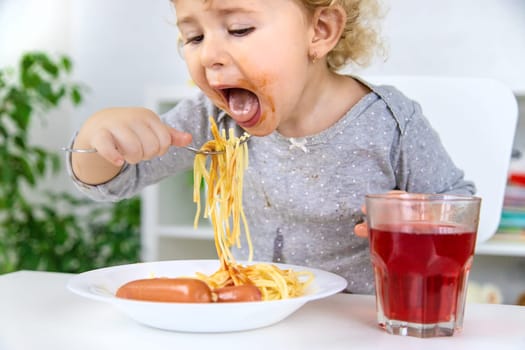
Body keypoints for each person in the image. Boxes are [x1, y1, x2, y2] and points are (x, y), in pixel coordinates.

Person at [67, 0, 475, 294]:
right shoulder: (211, 116)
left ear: (320, 31)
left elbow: (457, 206)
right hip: (253, 313)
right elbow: (116, 179)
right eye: (193, 36)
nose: (209, 55)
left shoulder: (390, 123)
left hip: (360, 323)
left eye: (240, 29)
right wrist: (97, 141)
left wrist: (411, 219)